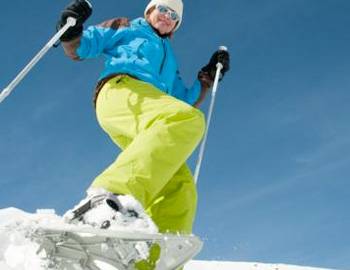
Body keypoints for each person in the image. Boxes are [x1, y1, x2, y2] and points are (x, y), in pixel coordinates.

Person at [58, 0, 230, 237]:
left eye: (174, 17)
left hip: (150, 108)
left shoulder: (170, 61)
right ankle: (107, 199)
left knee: (179, 184)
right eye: (163, 9)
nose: (167, 17)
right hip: (121, 90)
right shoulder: (127, 27)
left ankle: (156, 254)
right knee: (185, 119)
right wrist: (72, 28)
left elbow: (184, 101)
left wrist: (208, 77)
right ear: (150, 10)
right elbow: (83, 45)